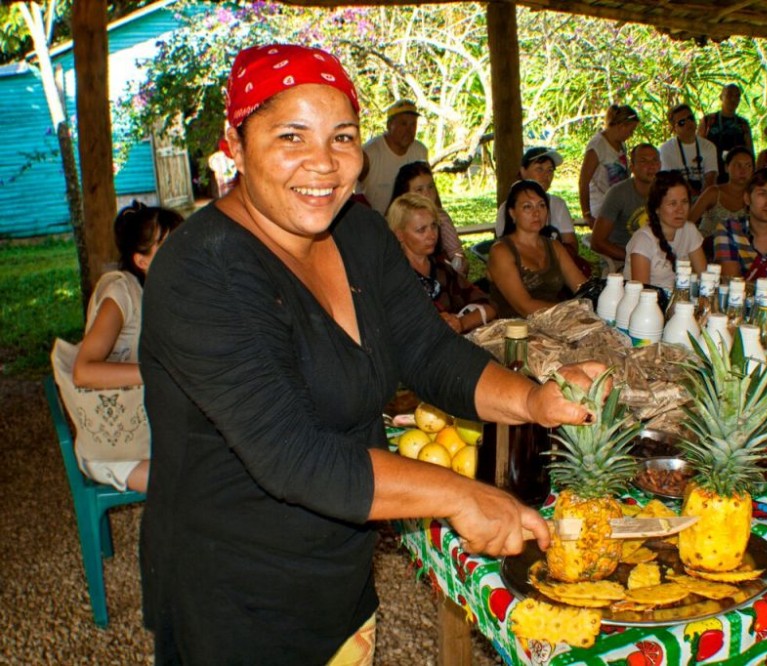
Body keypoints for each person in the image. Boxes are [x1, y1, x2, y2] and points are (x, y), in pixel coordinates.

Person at [138, 44, 597, 665]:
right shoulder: (202, 270)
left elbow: (427, 350)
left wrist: (533, 399)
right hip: (235, 592)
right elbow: (295, 457)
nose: (323, 165)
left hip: (337, 569)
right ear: (235, 143)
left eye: (343, 137)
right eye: (291, 136)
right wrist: (462, 495)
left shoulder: (354, 229)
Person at [69, 201, 182, 493]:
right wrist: (156, 372)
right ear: (141, 261)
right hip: (114, 447)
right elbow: (83, 371)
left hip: (148, 431)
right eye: (169, 246)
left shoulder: (166, 292)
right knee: (197, 490)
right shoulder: (121, 293)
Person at [387, 193, 495, 333]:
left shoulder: (441, 268)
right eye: (421, 230)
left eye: (434, 226)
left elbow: (490, 306)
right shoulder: (393, 277)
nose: (432, 235)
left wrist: (461, 323)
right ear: (399, 234)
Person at [488, 179, 588, 318]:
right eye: (527, 207)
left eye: (541, 205)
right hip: (515, 329)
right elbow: (525, 307)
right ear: (512, 213)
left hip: (557, 322)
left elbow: (582, 287)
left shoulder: (554, 246)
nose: (537, 213)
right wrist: (572, 309)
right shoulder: (501, 252)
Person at [624, 170, 707, 290]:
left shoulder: (689, 230)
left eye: (684, 202)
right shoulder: (643, 240)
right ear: (657, 208)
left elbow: (704, 278)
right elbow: (641, 294)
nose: (680, 210)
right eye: (672, 204)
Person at [495, 147, 578, 255]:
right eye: (539, 169)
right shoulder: (507, 208)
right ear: (523, 171)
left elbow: (572, 246)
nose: (546, 175)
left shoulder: (558, 204)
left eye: (550, 170)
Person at [390, 161, 468, 275]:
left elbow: (458, 254)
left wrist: (458, 263)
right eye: (419, 190)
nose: (427, 194)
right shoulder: (389, 224)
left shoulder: (442, 218)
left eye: (431, 187)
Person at [590, 143, 662, 264]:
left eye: (655, 160)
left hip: (659, 258)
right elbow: (597, 242)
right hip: (623, 259)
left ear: (660, 165)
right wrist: (633, 258)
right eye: (643, 161)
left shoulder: (668, 191)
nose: (651, 166)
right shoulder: (618, 193)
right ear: (632, 167)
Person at [359, 99, 429, 215]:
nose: (409, 130)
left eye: (413, 124)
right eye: (403, 124)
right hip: (374, 224)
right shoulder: (369, 153)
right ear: (389, 125)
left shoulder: (420, 151)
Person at [578, 104, 639, 228]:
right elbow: (583, 182)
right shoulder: (597, 145)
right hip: (601, 207)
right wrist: (587, 214)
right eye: (630, 131)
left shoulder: (621, 144)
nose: (631, 135)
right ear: (622, 126)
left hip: (619, 206)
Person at [689, 146, 755, 237]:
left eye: (748, 165)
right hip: (706, 248)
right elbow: (688, 221)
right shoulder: (713, 193)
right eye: (738, 165)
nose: (743, 170)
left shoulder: (754, 197)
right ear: (726, 168)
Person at [658, 103, 718, 197]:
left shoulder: (709, 147)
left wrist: (702, 200)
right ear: (674, 129)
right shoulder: (666, 149)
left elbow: (711, 178)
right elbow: (672, 182)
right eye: (682, 122)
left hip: (705, 198)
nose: (688, 123)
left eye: (691, 118)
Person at [698, 83, 754, 177]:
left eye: (737, 96)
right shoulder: (708, 120)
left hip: (737, 172)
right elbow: (698, 146)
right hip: (711, 171)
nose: (733, 99)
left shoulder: (743, 124)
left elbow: (749, 151)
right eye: (729, 95)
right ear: (721, 97)